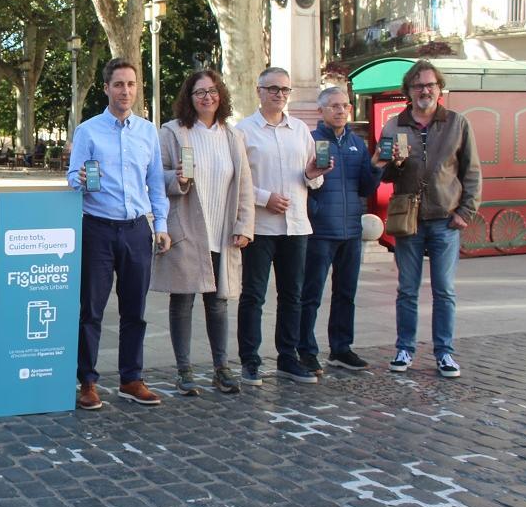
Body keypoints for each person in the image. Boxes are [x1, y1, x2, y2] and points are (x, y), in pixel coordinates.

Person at [66, 58, 171, 410]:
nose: (125, 91)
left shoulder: (147, 132)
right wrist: (79, 180)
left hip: (137, 230)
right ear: (106, 88)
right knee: (91, 310)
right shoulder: (88, 131)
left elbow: (156, 183)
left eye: (130, 84)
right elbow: (73, 176)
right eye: (118, 84)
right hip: (96, 229)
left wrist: (161, 226)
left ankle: (131, 378)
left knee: (135, 310)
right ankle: (87, 381)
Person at [151, 71, 254, 395]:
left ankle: (221, 368)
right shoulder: (172, 132)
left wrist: (244, 225)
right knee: (182, 301)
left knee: (218, 303)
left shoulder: (233, 136)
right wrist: (176, 179)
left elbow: (245, 185)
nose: (207, 97)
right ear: (189, 97)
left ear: (220, 95)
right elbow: (154, 177)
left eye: (212, 91)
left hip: (222, 230)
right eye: (199, 92)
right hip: (186, 228)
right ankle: (184, 371)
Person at [380, 60, 481, 378]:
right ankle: (404, 349)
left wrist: (466, 212)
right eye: (418, 85)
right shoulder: (394, 126)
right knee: (407, 290)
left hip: (445, 219)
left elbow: (472, 171)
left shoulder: (456, 123)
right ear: (408, 91)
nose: (424, 90)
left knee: (444, 290)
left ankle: (444, 352)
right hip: (408, 219)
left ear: (439, 89)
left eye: (430, 85)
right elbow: (384, 175)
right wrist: (393, 164)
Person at [235, 67, 333, 386]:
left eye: (285, 90)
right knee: (254, 296)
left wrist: (313, 174)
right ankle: (250, 360)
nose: (279, 94)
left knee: (293, 295)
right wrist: (265, 199)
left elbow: (312, 180)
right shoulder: (243, 131)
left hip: (296, 226)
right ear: (259, 90)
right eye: (273, 88)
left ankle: (287, 357)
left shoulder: (301, 130)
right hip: (261, 226)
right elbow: (236, 181)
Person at [298, 87, 382, 373]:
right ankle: (305, 350)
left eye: (345, 105)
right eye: (334, 106)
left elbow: (366, 188)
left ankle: (341, 349)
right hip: (320, 231)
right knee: (310, 295)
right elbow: (301, 182)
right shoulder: (310, 141)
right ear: (320, 111)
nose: (341, 110)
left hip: (351, 231)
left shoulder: (357, 143)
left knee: (346, 294)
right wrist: (313, 210)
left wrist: (377, 166)